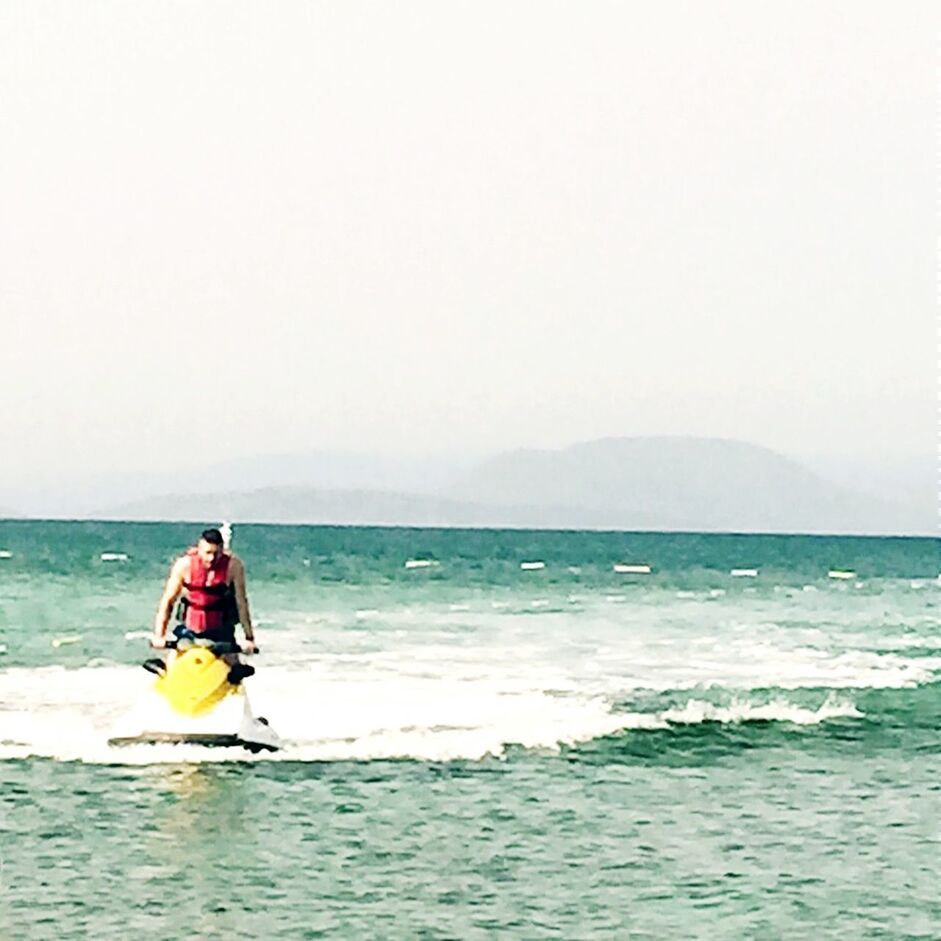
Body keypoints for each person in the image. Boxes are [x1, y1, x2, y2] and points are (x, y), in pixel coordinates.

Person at [151, 527, 257, 655]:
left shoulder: (233, 566)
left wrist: (249, 638)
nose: (212, 558)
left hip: (221, 632)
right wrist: (159, 635)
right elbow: (168, 601)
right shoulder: (184, 565)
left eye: (216, 553)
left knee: (232, 663)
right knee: (173, 662)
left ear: (222, 550)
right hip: (189, 630)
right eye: (208, 553)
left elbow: (241, 603)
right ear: (199, 550)